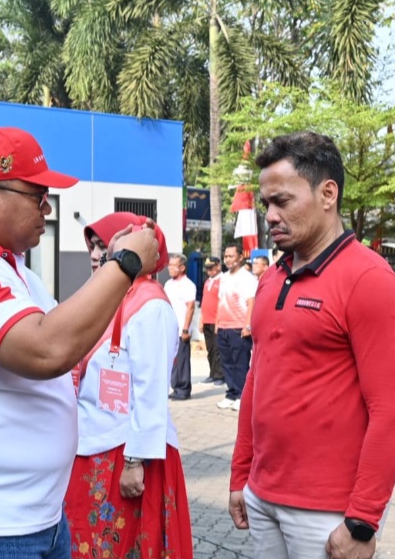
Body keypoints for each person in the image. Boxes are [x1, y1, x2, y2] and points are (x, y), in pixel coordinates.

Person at [0, 125, 159, 559]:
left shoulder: (14, 269)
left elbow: (65, 340)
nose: (47, 209)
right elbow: (47, 350)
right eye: (37, 195)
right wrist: (125, 263)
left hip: (29, 516)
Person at [229, 132, 395, 559]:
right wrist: (242, 475)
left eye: (283, 201)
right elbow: (257, 381)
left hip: (328, 512)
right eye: (266, 205)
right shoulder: (272, 277)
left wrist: (362, 521)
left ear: (327, 193)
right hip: (262, 495)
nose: (271, 216)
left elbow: (393, 413)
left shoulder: (370, 281)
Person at [65, 213, 192, 559]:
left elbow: (150, 391)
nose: (94, 255)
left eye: (104, 246)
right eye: (92, 245)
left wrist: (135, 462)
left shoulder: (150, 305)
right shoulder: (110, 298)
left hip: (127, 455)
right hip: (94, 447)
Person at [215, 243, 258, 411]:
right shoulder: (223, 277)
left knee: (240, 364)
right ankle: (231, 393)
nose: (227, 260)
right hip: (224, 327)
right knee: (226, 363)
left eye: (231, 256)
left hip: (239, 327)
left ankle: (242, 395)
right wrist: (218, 323)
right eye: (225, 256)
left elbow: (251, 302)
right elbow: (221, 301)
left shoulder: (247, 277)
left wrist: (248, 325)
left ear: (240, 257)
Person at [164, 253, 197, 400]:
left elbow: (190, 308)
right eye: (169, 265)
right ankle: (175, 387)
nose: (170, 268)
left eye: (173, 265)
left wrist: (185, 329)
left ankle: (183, 389)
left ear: (182, 267)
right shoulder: (168, 284)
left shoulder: (188, 285)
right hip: (169, 329)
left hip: (181, 330)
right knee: (173, 361)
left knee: (182, 361)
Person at [200, 256, 225, 386]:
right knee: (210, 349)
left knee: (218, 349)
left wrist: (218, 320)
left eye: (211, 267)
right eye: (207, 268)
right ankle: (212, 373)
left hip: (217, 320)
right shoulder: (207, 282)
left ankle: (220, 375)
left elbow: (222, 302)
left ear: (218, 266)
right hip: (207, 320)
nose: (209, 270)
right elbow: (204, 302)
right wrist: (201, 320)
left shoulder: (223, 280)